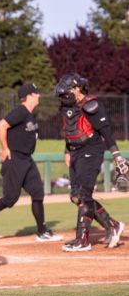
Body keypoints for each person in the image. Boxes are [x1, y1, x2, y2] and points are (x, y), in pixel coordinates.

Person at [0, 83, 63, 244]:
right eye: (36, 93)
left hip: (26, 159)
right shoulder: (20, 111)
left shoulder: (30, 115)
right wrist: (5, 149)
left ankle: (42, 232)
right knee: (10, 199)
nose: (39, 96)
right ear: (29, 96)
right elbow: (1, 126)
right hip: (15, 160)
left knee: (38, 193)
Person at [54, 73, 126, 251]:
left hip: (91, 151)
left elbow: (106, 133)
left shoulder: (91, 105)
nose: (65, 95)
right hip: (75, 152)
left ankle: (82, 241)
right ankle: (112, 225)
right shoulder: (66, 106)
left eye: (68, 90)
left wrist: (118, 157)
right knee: (77, 197)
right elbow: (69, 129)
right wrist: (67, 150)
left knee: (84, 195)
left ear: (78, 88)